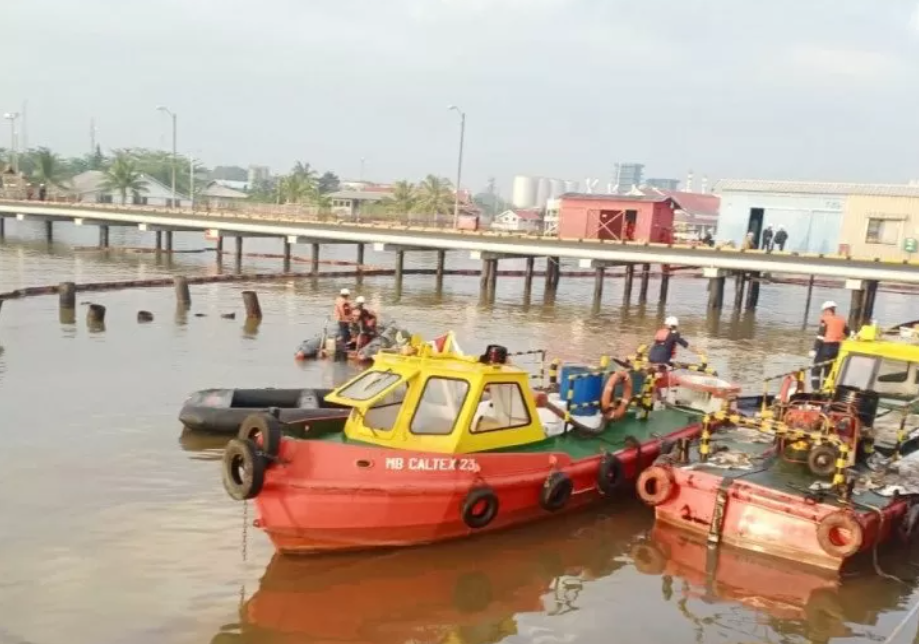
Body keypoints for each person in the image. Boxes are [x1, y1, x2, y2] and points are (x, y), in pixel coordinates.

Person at [809, 301, 850, 390]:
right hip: (837, 348)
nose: (823, 312)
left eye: (823, 311)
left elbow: (820, 336)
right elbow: (848, 333)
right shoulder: (841, 319)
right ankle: (825, 389)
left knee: (815, 369)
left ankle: (816, 390)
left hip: (826, 346)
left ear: (827, 310)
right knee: (828, 370)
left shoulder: (825, 319)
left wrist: (814, 349)